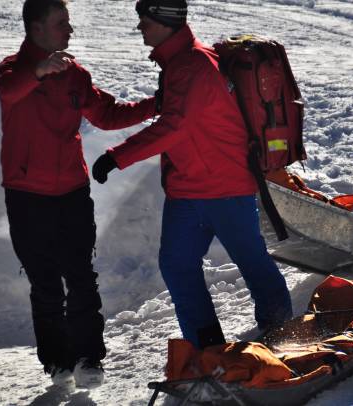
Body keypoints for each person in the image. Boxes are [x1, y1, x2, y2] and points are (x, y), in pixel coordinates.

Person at [92, 0, 293, 349]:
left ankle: (282, 334)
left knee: (252, 262)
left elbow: (175, 127)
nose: (141, 27)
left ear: (166, 21)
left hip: (226, 186)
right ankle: (206, 348)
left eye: (146, 20)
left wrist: (116, 157)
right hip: (187, 189)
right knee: (177, 265)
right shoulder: (178, 63)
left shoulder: (194, 64)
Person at [0, 0, 157, 388]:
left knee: (81, 278)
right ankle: (57, 362)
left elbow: (109, 114)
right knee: (45, 283)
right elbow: (10, 90)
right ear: (36, 29)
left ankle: (89, 359)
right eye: (61, 23)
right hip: (26, 197)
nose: (70, 30)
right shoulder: (12, 70)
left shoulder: (74, 75)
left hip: (71, 193)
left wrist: (158, 104)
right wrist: (37, 71)